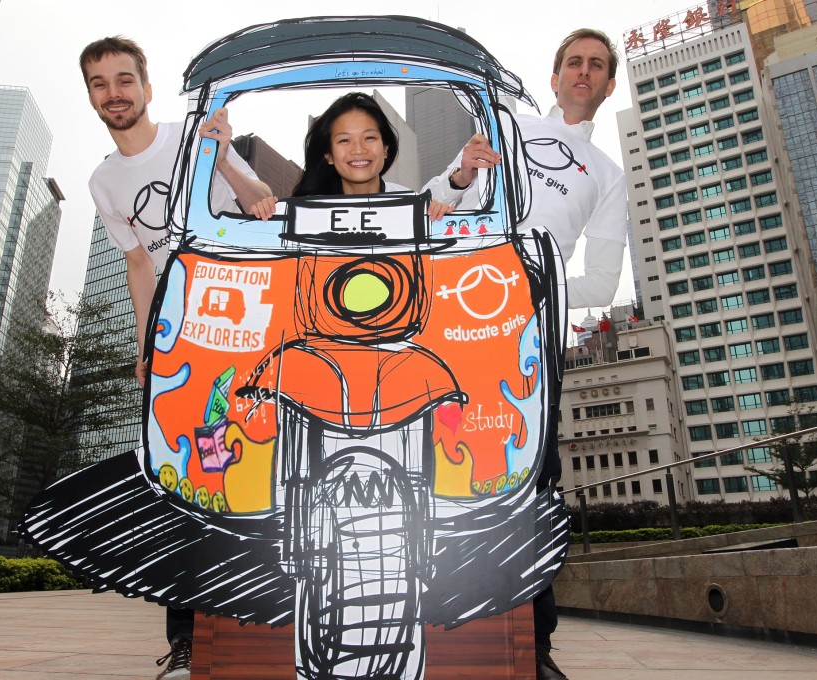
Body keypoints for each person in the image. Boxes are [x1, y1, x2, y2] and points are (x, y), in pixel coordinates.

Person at [423, 29, 626, 680]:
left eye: (597, 66)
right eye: (574, 62)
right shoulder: (502, 130)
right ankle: (426, 628)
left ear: (608, 84)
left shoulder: (609, 177)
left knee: (534, 480)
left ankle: (535, 648)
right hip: (455, 318)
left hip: (530, 341)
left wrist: (536, 276)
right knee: (435, 463)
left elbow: (599, 283)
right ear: (556, 74)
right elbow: (435, 207)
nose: (583, 73)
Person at [80, 36, 272, 680]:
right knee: (179, 487)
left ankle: (269, 625)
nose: (115, 93)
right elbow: (139, 263)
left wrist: (228, 157)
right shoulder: (103, 181)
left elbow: (256, 198)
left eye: (124, 79)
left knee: (257, 468)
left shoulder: (190, 136)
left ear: (146, 86)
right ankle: (189, 638)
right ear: (91, 96)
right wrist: (144, 348)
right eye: (101, 83)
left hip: (241, 325)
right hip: (177, 340)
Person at [248, 91, 451, 221]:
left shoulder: (413, 207)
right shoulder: (302, 214)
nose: (358, 149)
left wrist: (440, 219)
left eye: (369, 137)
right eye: (344, 140)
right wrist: (265, 216)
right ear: (328, 155)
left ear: (386, 149)